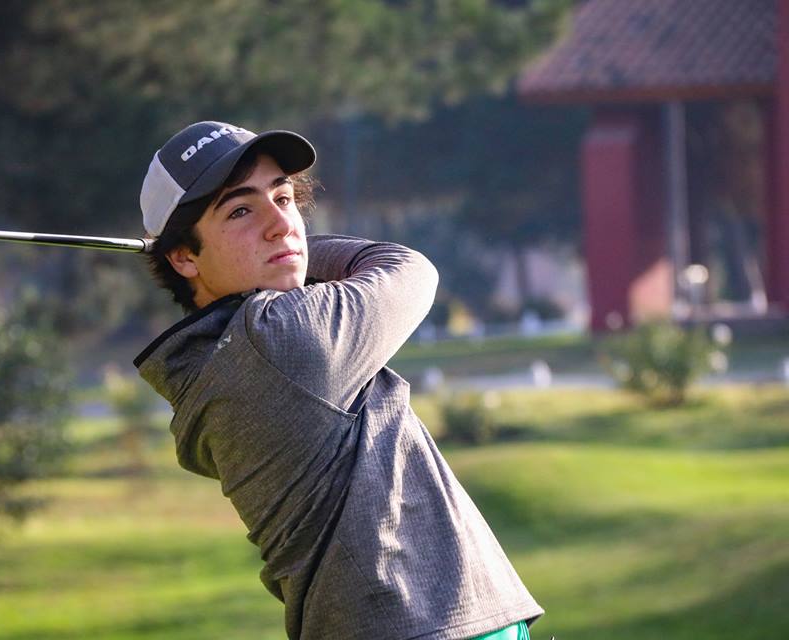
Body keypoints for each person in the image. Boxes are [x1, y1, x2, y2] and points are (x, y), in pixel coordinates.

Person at [133, 121, 544, 640]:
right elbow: (408, 269)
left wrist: (279, 250)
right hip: (428, 627)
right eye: (240, 211)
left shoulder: (216, 364)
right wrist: (301, 249)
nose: (281, 224)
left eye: (283, 198)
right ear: (183, 257)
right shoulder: (281, 338)